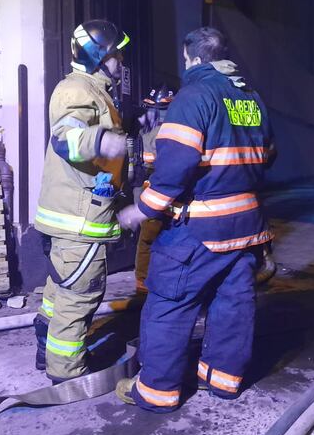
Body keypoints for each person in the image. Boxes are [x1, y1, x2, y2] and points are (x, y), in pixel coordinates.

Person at [115, 27, 276, 411]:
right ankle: (221, 383)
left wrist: (142, 209)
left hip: (199, 228)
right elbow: (268, 153)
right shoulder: (251, 98)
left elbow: (177, 166)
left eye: (185, 60)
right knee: (233, 305)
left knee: (169, 303)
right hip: (247, 228)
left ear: (194, 58)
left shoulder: (193, 96)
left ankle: (156, 392)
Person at [33, 20, 130, 383]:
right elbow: (66, 137)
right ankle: (66, 373)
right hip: (79, 221)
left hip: (71, 217)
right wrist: (102, 141)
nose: (120, 61)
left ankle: (46, 346)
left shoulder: (93, 89)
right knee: (80, 296)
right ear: (97, 56)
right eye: (115, 54)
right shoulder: (77, 90)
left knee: (62, 289)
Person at [133, 85, 174, 294]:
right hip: (154, 189)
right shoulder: (160, 130)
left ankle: (146, 278)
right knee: (150, 234)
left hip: (152, 189)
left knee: (153, 235)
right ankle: (143, 279)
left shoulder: (150, 128)